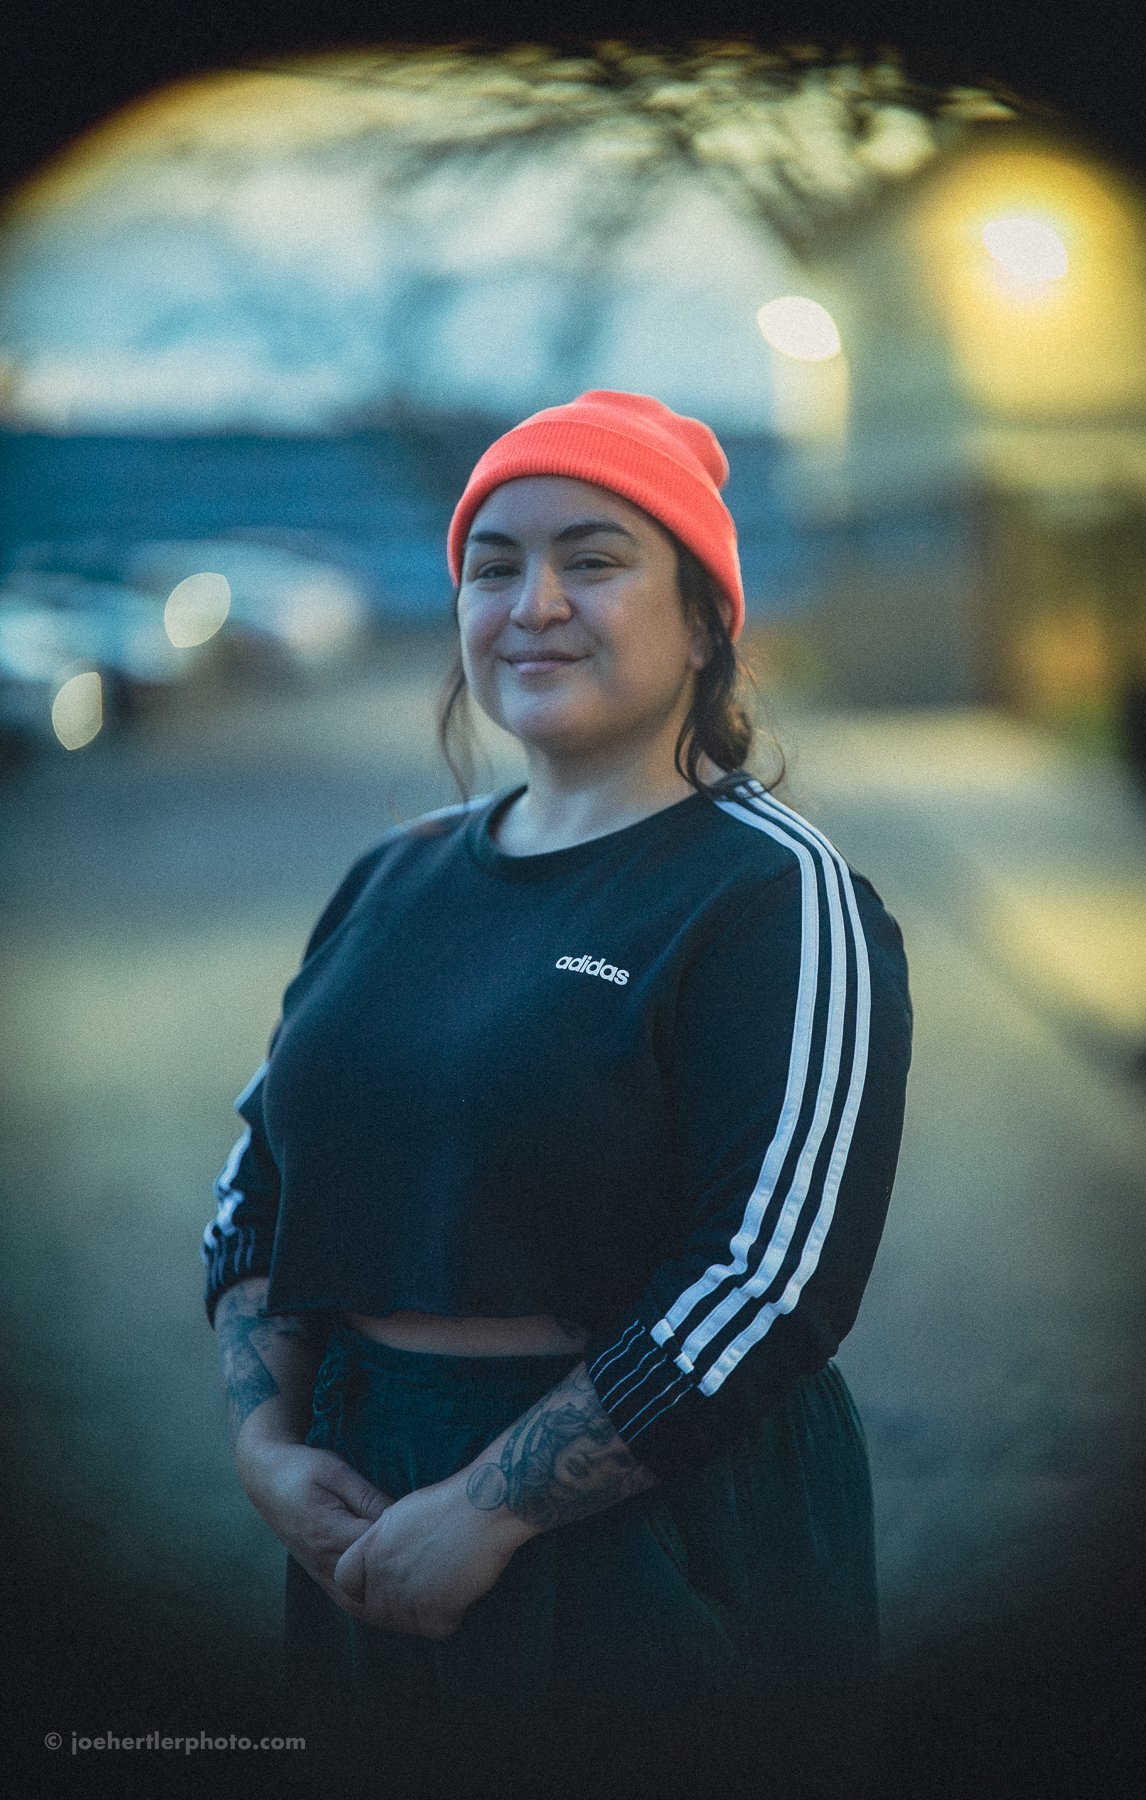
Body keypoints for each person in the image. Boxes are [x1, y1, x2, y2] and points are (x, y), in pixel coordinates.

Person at [201, 390, 912, 1798]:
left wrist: (488, 1508)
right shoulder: (391, 873)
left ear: (704, 617)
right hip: (360, 1497)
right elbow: (256, 1181)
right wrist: (267, 1447)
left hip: (659, 1534)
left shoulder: (771, 892)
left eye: (591, 560)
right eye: (493, 563)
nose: (531, 604)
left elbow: (770, 1274)